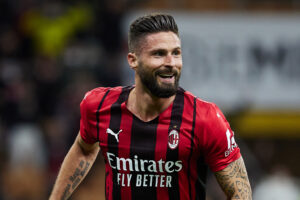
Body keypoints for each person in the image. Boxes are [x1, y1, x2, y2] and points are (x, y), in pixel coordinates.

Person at [49, 13, 252, 200]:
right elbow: (84, 150)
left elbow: (240, 192)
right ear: (133, 60)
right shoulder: (99, 106)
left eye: (176, 53)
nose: (171, 62)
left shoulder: (205, 118)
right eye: (159, 54)